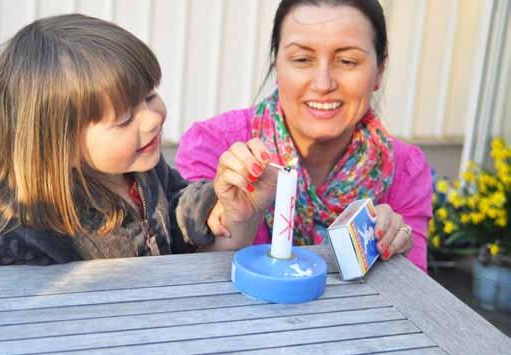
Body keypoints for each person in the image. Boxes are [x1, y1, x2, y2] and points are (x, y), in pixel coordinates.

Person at [0, 14, 274, 266]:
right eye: (124, 118)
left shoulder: (143, 174)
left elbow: (189, 241)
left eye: (150, 96)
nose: (153, 118)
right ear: (58, 145)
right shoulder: (29, 244)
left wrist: (229, 212)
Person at [176, 0, 432, 271]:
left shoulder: (405, 168)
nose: (323, 84)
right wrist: (237, 219)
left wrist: (390, 247)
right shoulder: (215, 147)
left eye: (347, 61)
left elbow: (413, 298)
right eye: (302, 59)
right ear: (277, 65)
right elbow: (194, 278)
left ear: (379, 70)